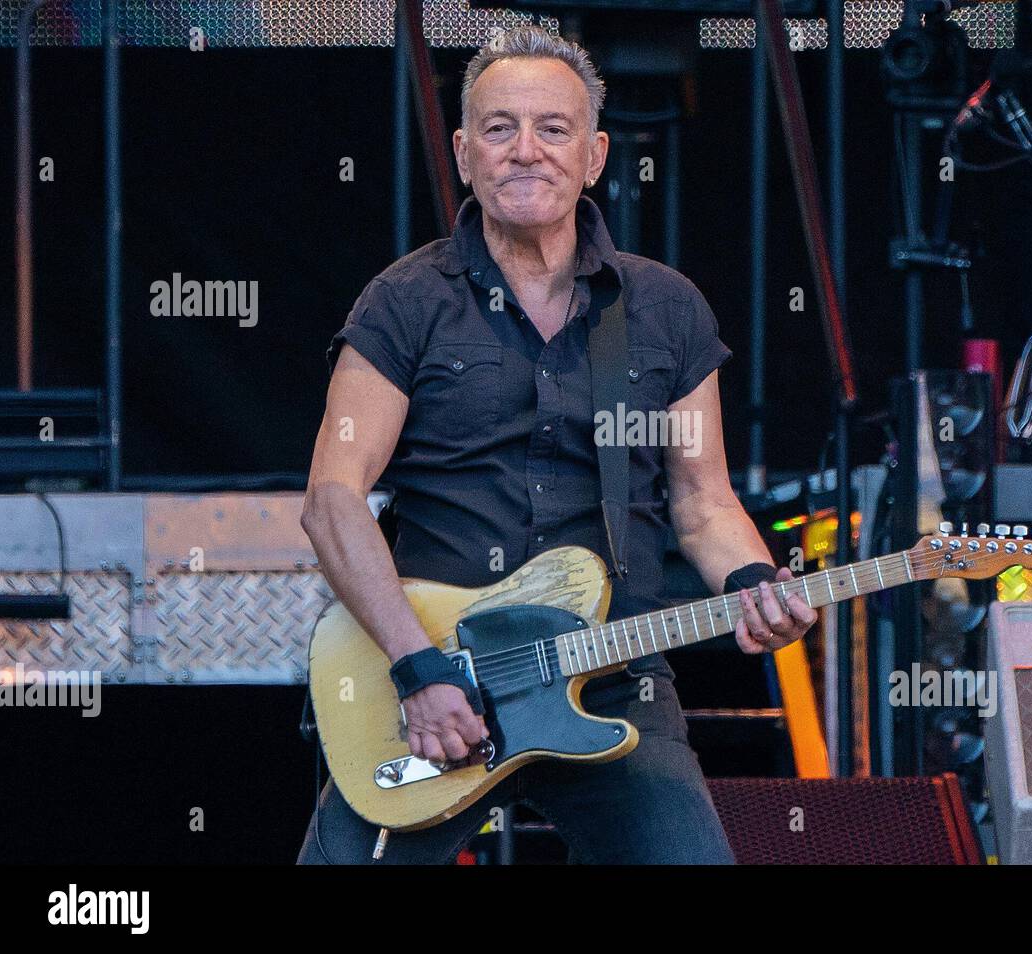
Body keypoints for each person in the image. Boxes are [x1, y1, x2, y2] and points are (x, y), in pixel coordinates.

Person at [297, 24, 814, 865]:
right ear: (464, 154)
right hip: (435, 676)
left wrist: (753, 581)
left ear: (596, 154)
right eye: (499, 129)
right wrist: (417, 667)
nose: (525, 151)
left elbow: (703, 499)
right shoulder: (403, 302)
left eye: (553, 128)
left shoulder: (666, 310)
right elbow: (332, 499)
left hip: (615, 673)